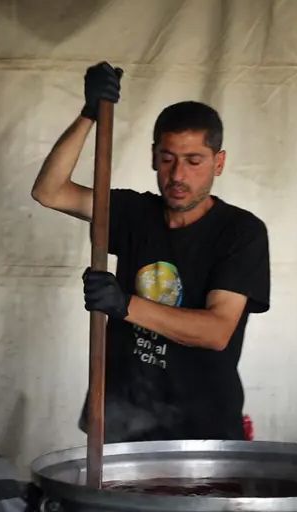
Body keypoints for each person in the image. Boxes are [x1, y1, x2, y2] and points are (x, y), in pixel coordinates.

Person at [30, 62, 271, 442]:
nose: (178, 176)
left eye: (194, 162)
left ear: (218, 163)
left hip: (202, 429)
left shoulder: (241, 232)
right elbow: (50, 191)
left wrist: (125, 304)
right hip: (121, 419)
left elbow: (217, 331)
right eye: (167, 159)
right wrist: (89, 115)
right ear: (153, 156)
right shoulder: (133, 214)